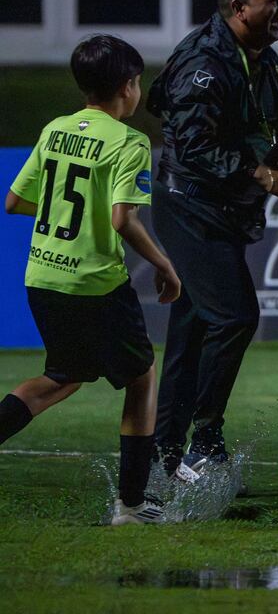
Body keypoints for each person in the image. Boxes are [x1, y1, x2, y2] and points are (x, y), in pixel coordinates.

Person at [3, 35, 181, 524]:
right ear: (127, 86)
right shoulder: (129, 141)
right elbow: (123, 219)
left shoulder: (55, 129)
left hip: (43, 275)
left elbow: (14, 202)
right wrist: (165, 265)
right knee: (141, 378)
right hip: (94, 282)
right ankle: (132, 504)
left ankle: (132, 502)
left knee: (62, 377)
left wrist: (72, 217)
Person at [149, 0, 278, 478]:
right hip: (189, 206)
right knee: (234, 317)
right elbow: (193, 145)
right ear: (239, 8)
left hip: (220, 208)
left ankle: (164, 454)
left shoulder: (260, 56)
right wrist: (261, 173)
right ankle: (205, 441)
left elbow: (266, 124)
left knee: (192, 329)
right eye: (273, 1)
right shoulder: (204, 59)